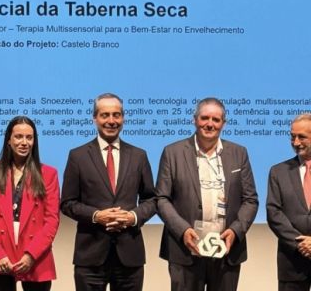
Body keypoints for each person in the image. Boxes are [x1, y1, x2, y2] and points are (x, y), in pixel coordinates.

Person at [156, 97, 258, 291]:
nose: (210, 124)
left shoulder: (239, 153)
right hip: (186, 249)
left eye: (216, 119)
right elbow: (161, 199)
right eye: (204, 118)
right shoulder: (172, 152)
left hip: (226, 248)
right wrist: (183, 230)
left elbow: (250, 200)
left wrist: (235, 230)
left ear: (223, 123)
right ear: (194, 119)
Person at [61, 93, 156, 291]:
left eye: (116, 115)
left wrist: (132, 217)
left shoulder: (139, 156)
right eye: (105, 115)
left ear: (123, 118)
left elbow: (151, 199)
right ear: (94, 118)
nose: (111, 121)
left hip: (130, 254)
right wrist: (96, 216)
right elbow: (67, 203)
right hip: (90, 255)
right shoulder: (78, 156)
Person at [0, 116, 60, 291]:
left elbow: (52, 220)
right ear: (8, 140)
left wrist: (32, 255)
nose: (24, 142)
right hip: (1, 254)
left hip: (36, 255)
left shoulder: (48, 173)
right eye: (18, 137)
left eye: (29, 138)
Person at [266, 113, 311, 291]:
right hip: (292, 262)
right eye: (292, 137)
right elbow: (274, 213)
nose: (296, 142)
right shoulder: (278, 172)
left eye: (302, 137)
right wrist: (301, 244)